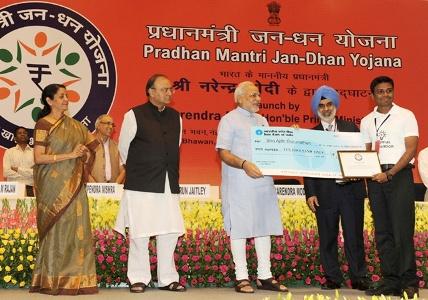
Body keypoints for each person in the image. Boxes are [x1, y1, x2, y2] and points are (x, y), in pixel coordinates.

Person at [114, 74, 186, 293]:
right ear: (151, 92)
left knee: (170, 231)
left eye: (170, 89)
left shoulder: (176, 117)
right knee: (140, 232)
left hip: (167, 183)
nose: (169, 93)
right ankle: (138, 278)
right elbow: (124, 149)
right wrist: (141, 168)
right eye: (164, 89)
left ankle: (167, 279)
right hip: (141, 184)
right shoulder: (134, 115)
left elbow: (177, 145)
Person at [216, 81, 288, 294]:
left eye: (258, 95)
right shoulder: (229, 120)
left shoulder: (262, 120)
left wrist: (289, 139)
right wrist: (244, 164)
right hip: (239, 183)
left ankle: (265, 275)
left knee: (263, 226)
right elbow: (223, 152)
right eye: (253, 95)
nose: (258, 99)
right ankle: (241, 277)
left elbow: (271, 150)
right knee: (239, 228)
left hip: (263, 183)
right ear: (239, 99)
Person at [30, 84, 99, 295]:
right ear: (49, 101)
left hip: (75, 184)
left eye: (67, 96)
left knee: (77, 230)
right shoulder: (43, 124)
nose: (66, 100)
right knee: (57, 231)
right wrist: (70, 155)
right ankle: (51, 279)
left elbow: (91, 153)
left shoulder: (77, 126)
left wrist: (85, 155)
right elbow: (38, 158)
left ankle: (77, 279)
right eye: (61, 97)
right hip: (52, 187)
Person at [303, 86, 369, 290]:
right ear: (316, 109)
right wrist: (310, 192)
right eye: (321, 105)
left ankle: (358, 276)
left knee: (354, 236)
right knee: (327, 237)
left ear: (335, 105)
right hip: (324, 193)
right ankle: (333, 277)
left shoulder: (352, 129)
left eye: (329, 104)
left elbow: (362, 157)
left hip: (351, 191)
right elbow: (308, 165)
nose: (325, 108)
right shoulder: (311, 134)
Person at [361, 76, 419, 298]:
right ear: (372, 95)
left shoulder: (406, 115)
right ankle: (390, 280)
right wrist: (367, 172)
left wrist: (390, 173)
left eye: (388, 91)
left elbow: (411, 150)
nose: (385, 95)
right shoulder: (367, 121)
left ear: (393, 92)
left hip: (399, 176)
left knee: (402, 230)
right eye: (380, 91)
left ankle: (409, 281)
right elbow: (366, 153)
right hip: (376, 178)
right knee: (383, 231)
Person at [89, 114, 125, 183]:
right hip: (93, 189)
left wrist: (115, 185)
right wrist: (96, 186)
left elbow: (122, 170)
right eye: (108, 123)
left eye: (112, 125)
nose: (111, 127)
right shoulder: (89, 144)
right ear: (98, 126)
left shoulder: (116, 146)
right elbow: (83, 169)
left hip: (112, 189)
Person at [2, 126, 35, 196]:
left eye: (24, 133)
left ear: (28, 137)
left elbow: (36, 172)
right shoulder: (9, 152)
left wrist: (18, 169)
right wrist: (27, 174)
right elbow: (6, 172)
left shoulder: (34, 152)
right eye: (19, 133)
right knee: (10, 207)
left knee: (28, 206)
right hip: (12, 187)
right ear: (15, 138)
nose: (22, 134)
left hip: (29, 187)